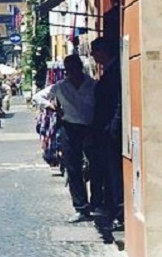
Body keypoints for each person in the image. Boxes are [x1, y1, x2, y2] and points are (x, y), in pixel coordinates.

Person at [33, 54, 97, 223]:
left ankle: (97, 203)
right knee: (73, 169)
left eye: (74, 69)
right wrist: (51, 106)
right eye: (69, 70)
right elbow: (38, 97)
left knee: (96, 168)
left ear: (80, 68)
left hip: (91, 129)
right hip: (69, 128)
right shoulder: (60, 86)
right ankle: (81, 208)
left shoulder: (92, 85)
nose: (72, 73)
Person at [91, 37, 124, 230]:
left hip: (110, 131)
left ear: (103, 51)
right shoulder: (110, 70)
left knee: (113, 173)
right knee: (109, 172)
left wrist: (113, 126)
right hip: (105, 131)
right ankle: (113, 210)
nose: (93, 57)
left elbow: (117, 100)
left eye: (95, 52)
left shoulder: (115, 71)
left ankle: (118, 213)